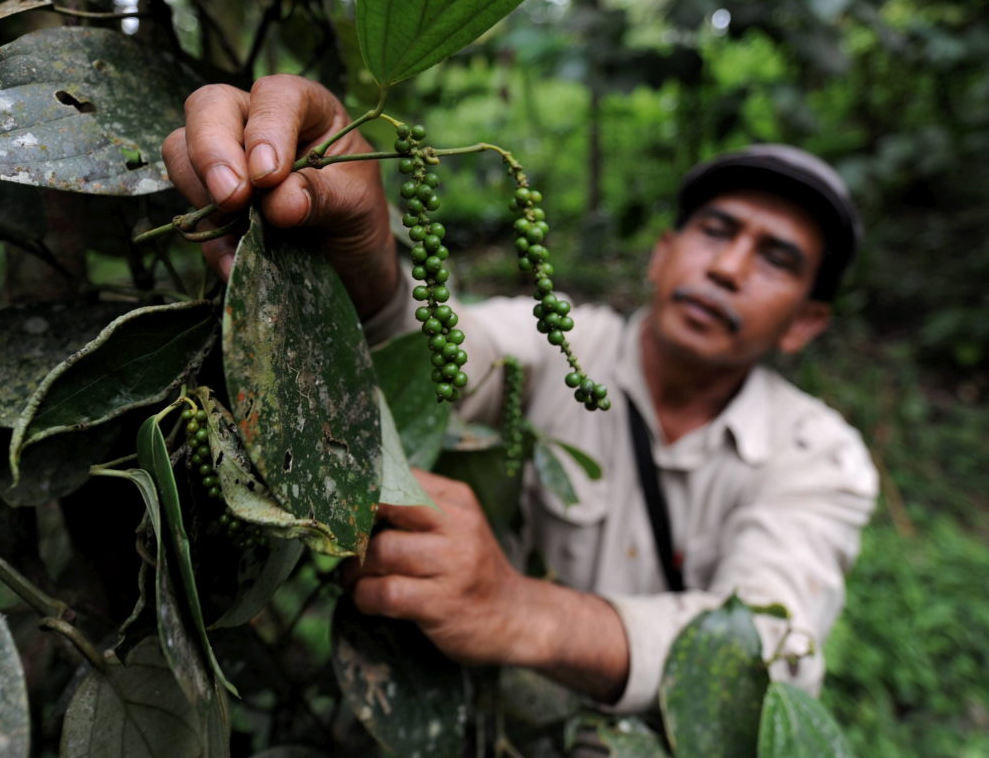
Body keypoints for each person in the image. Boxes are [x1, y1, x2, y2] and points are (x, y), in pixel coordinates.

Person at [161, 75, 879, 713]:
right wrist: (363, 255)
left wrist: (518, 610)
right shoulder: (559, 348)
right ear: (662, 254)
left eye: (774, 259)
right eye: (716, 231)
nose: (727, 267)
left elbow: (773, 652)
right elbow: (431, 352)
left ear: (805, 323)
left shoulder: (819, 457)